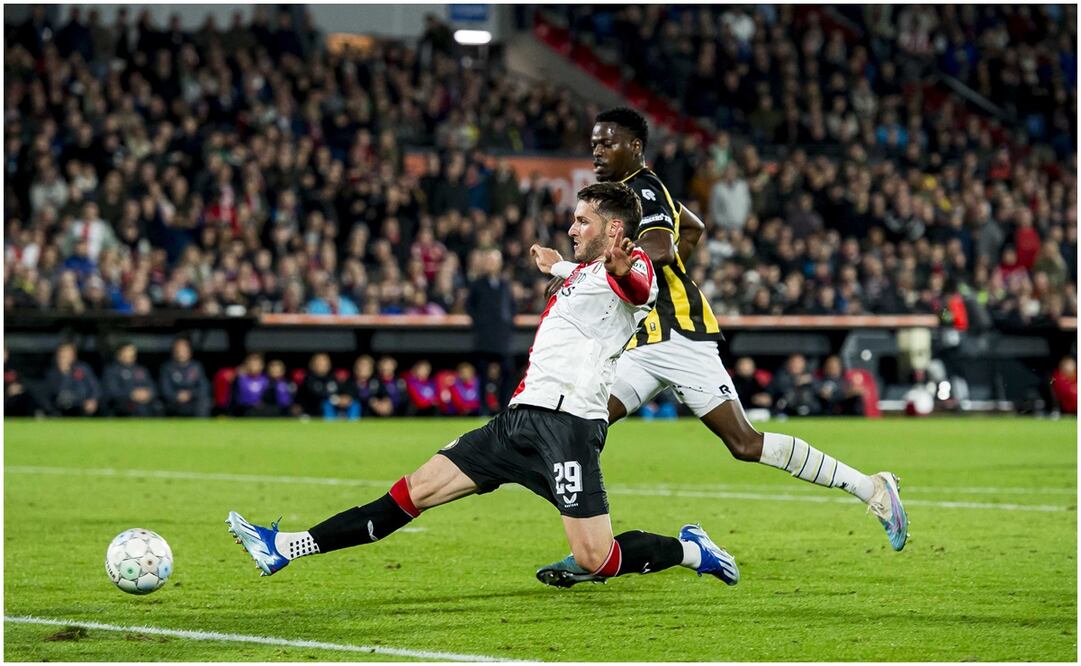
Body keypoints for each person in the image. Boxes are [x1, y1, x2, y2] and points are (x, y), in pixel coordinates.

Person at [227, 182, 739, 590]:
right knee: (414, 491)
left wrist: (622, 268)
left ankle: (694, 549)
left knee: (597, 559)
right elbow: (583, 275)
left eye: (583, 220)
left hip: (569, 427)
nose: (572, 225)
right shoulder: (583, 270)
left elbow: (637, 286)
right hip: (517, 421)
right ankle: (284, 547)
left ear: (615, 229)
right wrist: (554, 263)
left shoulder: (634, 266)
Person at [536, 108, 907, 585]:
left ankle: (873, 488)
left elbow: (665, 245)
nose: (598, 152)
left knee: (745, 443)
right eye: (594, 144)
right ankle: (591, 553)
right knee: (582, 425)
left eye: (608, 143)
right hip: (645, 340)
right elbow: (692, 228)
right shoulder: (637, 192)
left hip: (678, 335)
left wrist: (584, 270)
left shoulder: (643, 191)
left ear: (635, 147)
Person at [465, 248, 516, 409]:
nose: (490, 264)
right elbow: (469, 306)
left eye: (493, 261)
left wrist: (507, 322)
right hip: (485, 337)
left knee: (507, 372)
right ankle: (482, 407)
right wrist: (480, 322)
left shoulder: (504, 285)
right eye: (488, 261)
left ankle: (503, 406)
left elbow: (512, 306)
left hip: (502, 336)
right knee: (483, 373)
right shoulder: (477, 284)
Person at [102, 342, 163, 417]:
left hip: (145, 402)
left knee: (157, 407)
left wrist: (148, 394)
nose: (129, 354)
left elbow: (153, 387)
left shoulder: (141, 370)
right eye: (126, 351)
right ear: (119, 353)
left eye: (131, 351)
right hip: (123, 403)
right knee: (137, 408)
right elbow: (112, 392)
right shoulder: (111, 370)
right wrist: (131, 394)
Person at [44, 342, 100, 417]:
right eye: (63, 354)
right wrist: (64, 373)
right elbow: (51, 393)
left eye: (68, 353)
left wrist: (93, 400)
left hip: (80, 406)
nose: (66, 356)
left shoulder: (83, 369)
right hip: (60, 408)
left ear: (74, 355)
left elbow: (94, 387)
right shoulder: (52, 372)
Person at [159, 337, 211, 417]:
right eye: (178, 349)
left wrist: (190, 394)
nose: (181, 352)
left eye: (184, 349)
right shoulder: (167, 368)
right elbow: (165, 389)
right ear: (174, 351)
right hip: (175, 403)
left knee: (204, 402)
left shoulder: (197, 367)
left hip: (193, 401)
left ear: (189, 351)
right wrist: (176, 396)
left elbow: (204, 387)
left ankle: (200, 428)